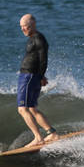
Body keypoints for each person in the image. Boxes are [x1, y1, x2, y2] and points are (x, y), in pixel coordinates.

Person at [17, 13, 57, 145]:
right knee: (32, 108)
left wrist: (40, 76)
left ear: (32, 25)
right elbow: (38, 60)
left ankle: (38, 137)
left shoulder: (39, 39)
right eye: (21, 27)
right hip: (31, 76)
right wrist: (41, 75)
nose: (23, 29)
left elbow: (43, 60)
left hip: (29, 77)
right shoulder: (34, 37)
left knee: (22, 109)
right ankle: (52, 133)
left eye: (25, 27)